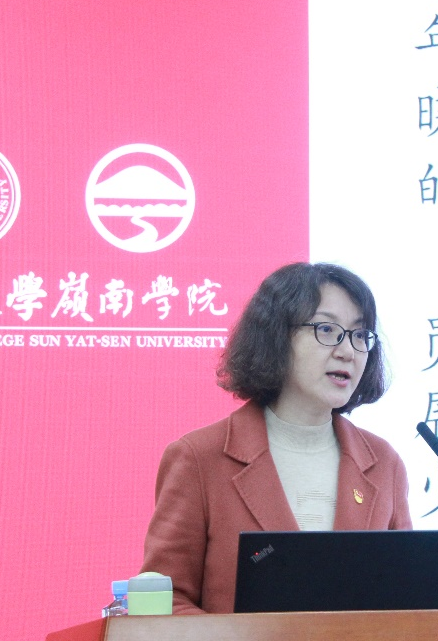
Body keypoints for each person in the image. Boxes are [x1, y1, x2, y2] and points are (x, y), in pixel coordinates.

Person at [140, 262, 412, 614]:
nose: (348, 350)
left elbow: (408, 598)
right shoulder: (200, 459)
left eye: (360, 335)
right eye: (327, 329)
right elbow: (164, 602)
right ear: (277, 337)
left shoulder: (384, 464)